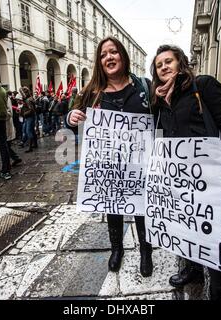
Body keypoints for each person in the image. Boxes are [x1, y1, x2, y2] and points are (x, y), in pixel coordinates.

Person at [150, 44, 221, 300]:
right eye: (159, 65)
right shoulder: (158, 99)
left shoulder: (202, 86)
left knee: (209, 229)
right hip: (176, 176)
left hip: (208, 176)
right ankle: (191, 270)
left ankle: (218, 285)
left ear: (180, 63)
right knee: (183, 223)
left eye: (169, 61)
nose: (164, 67)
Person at [67, 36, 154, 277]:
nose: (109, 57)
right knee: (113, 206)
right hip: (109, 165)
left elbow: (163, 116)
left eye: (113, 52)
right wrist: (71, 117)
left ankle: (146, 252)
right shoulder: (90, 91)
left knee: (142, 208)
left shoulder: (144, 87)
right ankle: (117, 249)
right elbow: (73, 117)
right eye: (103, 54)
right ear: (99, 61)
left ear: (123, 57)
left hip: (140, 162)